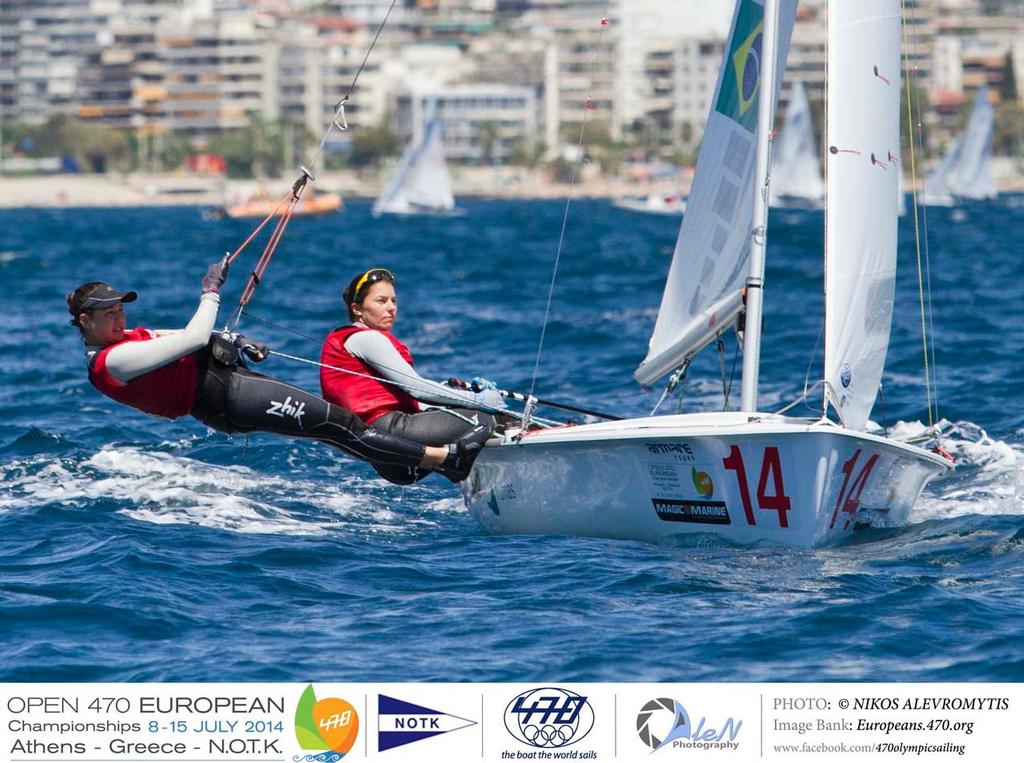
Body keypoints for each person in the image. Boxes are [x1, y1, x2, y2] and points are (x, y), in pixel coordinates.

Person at [67, 258, 485, 482]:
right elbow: (193, 338)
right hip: (226, 398)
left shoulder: (127, 338)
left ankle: (423, 464)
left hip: (230, 385)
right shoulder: (111, 361)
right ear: (85, 322)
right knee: (340, 424)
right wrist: (210, 292)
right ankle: (446, 459)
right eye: (107, 314)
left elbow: (184, 337)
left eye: (120, 309)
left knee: (335, 428)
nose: (118, 318)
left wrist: (232, 342)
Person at [320, 268, 504, 485]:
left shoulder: (349, 340)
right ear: (357, 309)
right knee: (489, 418)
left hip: (390, 456)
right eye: (381, 301)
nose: (391, 308)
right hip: (391, 434)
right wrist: (478, 401)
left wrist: (459, 393)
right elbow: (416, 388)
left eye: (393, 301)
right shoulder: (365, 338)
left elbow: (402, 395)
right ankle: (459, 463)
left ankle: (464, 464)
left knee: (491, 419)